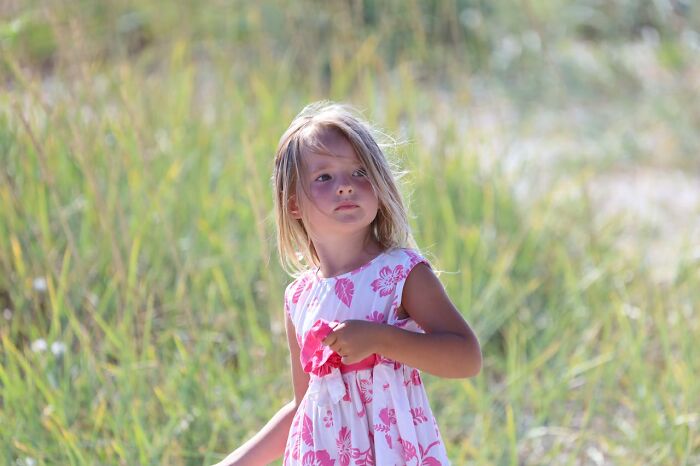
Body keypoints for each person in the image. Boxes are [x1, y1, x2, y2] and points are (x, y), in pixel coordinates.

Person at [213, 101, 481, 466]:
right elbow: (301, 405)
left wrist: (379, 338)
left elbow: (466, 357)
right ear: (293, 204)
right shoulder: (300, 298)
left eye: (359, 172)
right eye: (324, 177)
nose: (345, 187)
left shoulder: (400, 273)